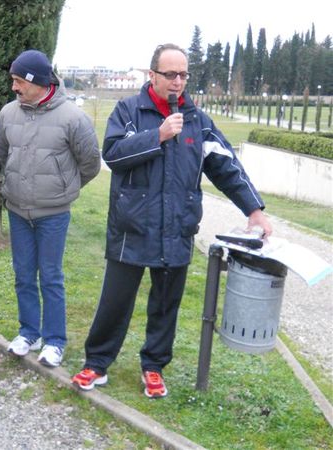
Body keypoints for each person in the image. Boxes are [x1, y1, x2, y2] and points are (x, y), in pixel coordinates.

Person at [71, 44, 272, 398]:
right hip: (131, 230)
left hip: (176, 230)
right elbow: (114, 154)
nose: (178, 82)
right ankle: (97, 363)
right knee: (115, 302)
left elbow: (227, 167)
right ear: (152, 75)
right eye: (170, 74)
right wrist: (159, 135)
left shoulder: (198, 121)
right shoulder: (128, 111)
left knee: (165, 306)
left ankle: (153, 366)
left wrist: (253, 209)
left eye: (183, 75)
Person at [0, 49, 101, 367]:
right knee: (23, 275)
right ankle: (29, 333)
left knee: (50, 276)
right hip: (17, 209)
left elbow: (90, 164)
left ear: (37, 81)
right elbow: (3, 152)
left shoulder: (73, 118)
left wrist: (62, 188)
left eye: (18, 81)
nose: (13, 87)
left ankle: (55, 341)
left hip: (53, 214)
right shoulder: (7, 114)